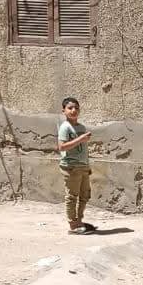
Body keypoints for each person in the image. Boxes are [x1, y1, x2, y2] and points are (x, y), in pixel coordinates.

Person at [57, 96, 96, 233]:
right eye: (70, 108)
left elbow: (83, 149)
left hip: (83, 166)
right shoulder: (65, 127)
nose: (74, 110)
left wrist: (87, 165)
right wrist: (80, 139)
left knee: (85, 195)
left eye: (76, 108)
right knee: (72, 196)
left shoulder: (81, 127)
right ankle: (73, 225)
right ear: (64, 111)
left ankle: (79, 220)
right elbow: (62, 147)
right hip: (71, 167)